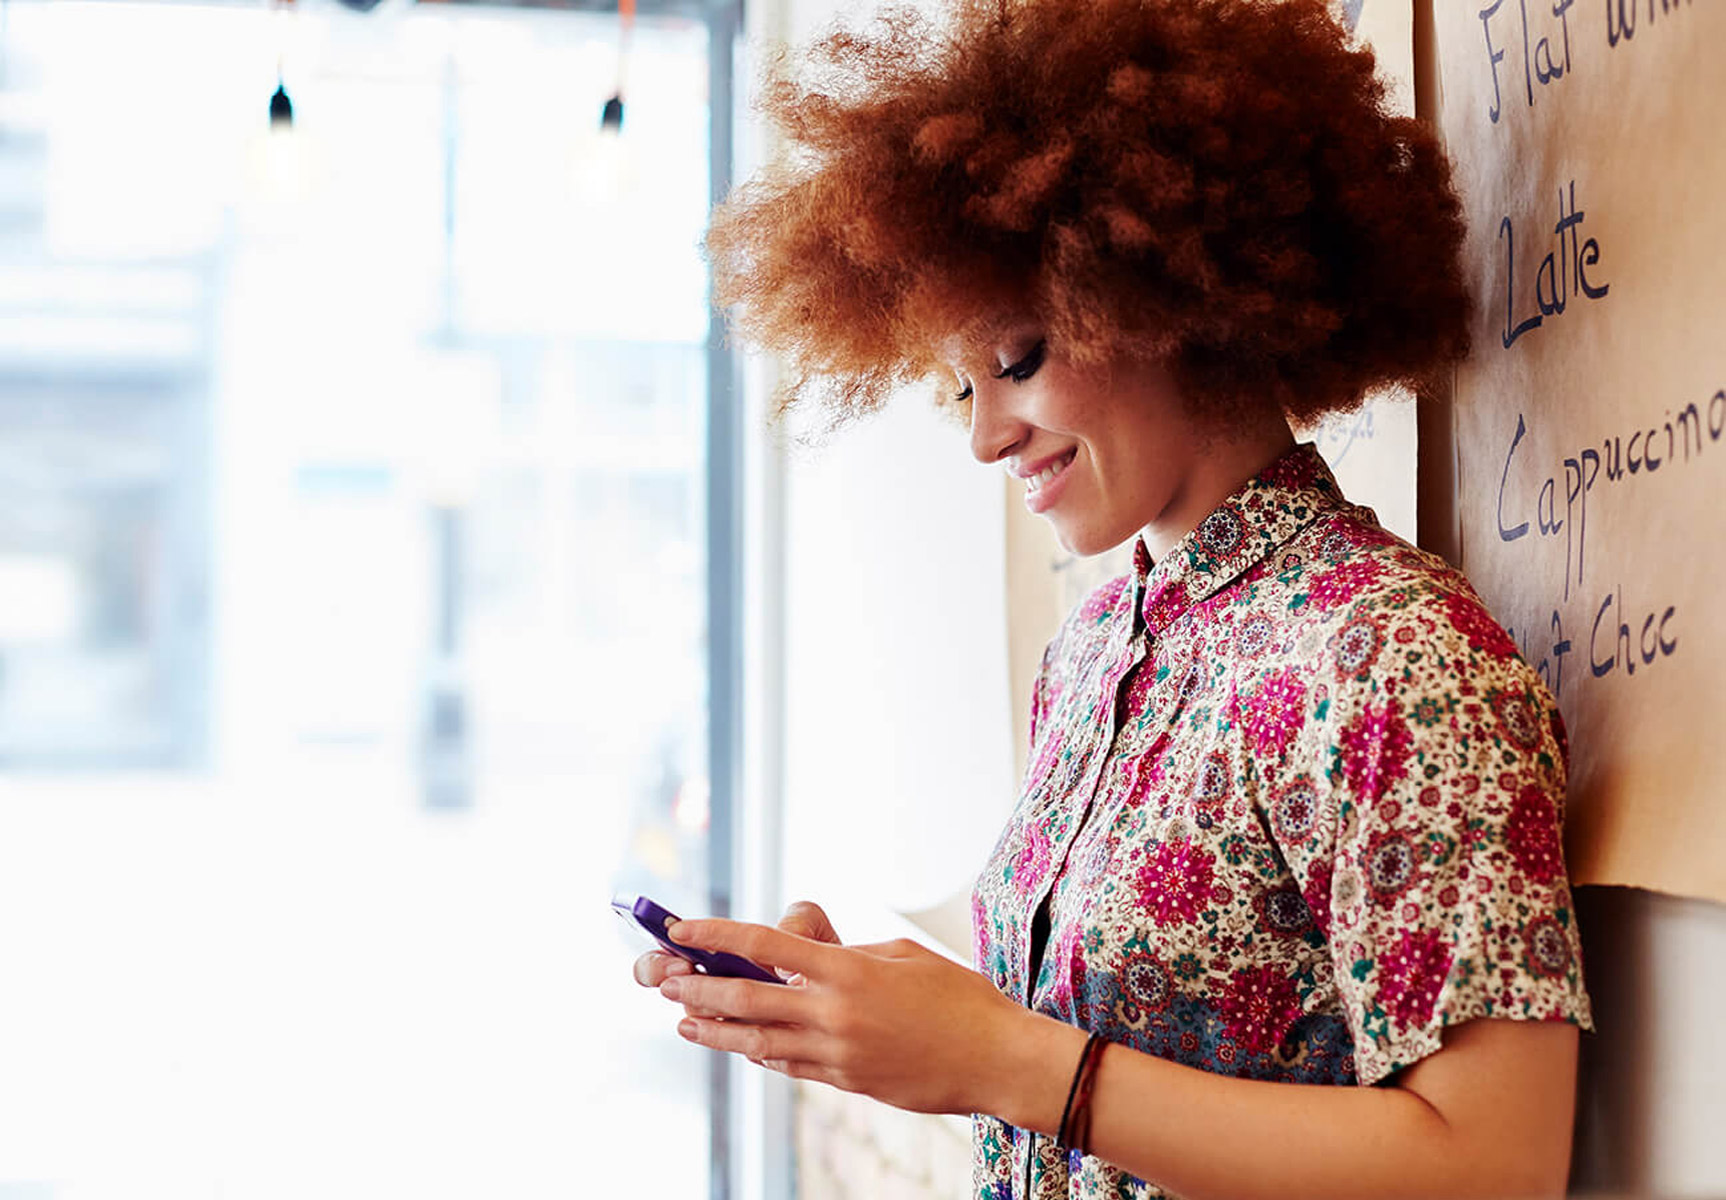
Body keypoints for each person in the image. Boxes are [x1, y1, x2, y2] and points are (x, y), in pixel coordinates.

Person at [632, 0, 1595, 1196]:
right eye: (961, 388)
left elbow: (1495, 1165)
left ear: (1168, 295)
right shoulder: (1093, 650)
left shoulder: (1395, 654)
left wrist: (996, 1058)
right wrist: (881, 1019)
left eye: (1017, 361)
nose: (984, 436)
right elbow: (1114, 1044)